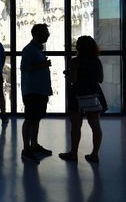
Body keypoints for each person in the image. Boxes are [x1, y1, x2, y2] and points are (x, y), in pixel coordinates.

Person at [59, 35, 104, 164]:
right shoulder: (97, 61)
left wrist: (68, 74)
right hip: (93, 94)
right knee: (95, 125)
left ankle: (73, 153)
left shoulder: (75, 61)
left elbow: (73, 80)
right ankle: (94, 154)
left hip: (77, 95)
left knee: (76, 126)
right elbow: (100, 79)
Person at [20, 24, 53, 163]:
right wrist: (43, 65)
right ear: (36, 34)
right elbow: (25, 68)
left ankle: (34, 144)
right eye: (45, 32)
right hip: (32, 90)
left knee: (36, 118)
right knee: (30, 119)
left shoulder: (38, 49)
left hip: (40, 90)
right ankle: (26, 148)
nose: (48, 34)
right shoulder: (29, 50)